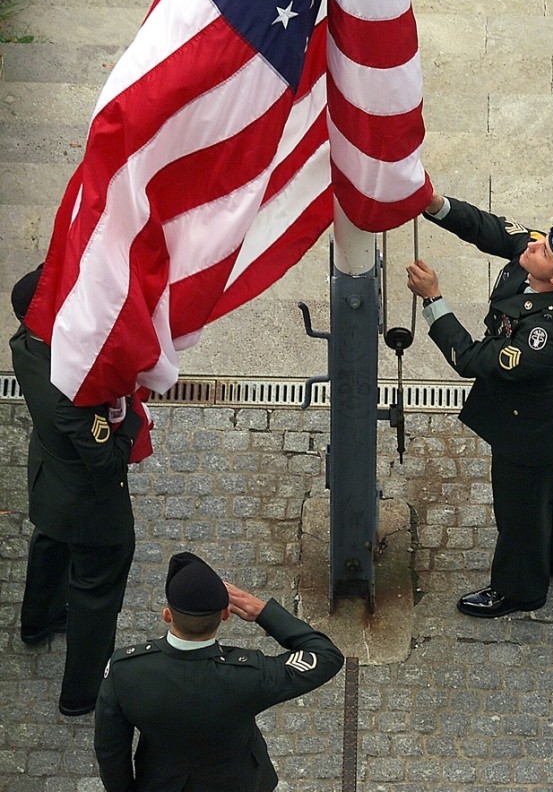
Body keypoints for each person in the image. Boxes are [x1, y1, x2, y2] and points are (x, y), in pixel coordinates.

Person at [406, 192, 553, 618]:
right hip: (547, 425)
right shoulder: (539, 260)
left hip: (528, 435)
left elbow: (472, 360)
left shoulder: (547, 335)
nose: (533, 245)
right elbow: (492, 229)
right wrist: (434, 203)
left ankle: (520, 590)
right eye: (543, 240)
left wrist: (433, 299)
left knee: (520, 515)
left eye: (544, 250)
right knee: (551, 489)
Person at [94, 551, 345, 792]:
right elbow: (325, 656)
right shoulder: (250, 674)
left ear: (167, 615)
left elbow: (110, 750)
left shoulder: (125, 670)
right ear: (225, 614)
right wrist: (264, 612)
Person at [10, 264, 142, 716]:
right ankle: (81, 695)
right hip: (91, 507)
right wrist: (132, 422)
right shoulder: (70, 385)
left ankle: (38, 622)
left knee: (49, 546)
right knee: (96, 598)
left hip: (51, 482)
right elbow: (105, 464)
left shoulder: (24, 346)